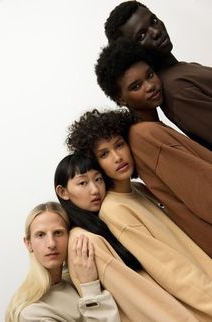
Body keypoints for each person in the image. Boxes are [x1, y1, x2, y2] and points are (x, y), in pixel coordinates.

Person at [66, 108, 212, 321]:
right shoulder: (114, 210)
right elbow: (171, 270)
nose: (117, 157)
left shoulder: (138, 189)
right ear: (95, 163)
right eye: (104, 154)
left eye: (119, 145)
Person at [95, 39, 212, 257]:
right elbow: (204, 192)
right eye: (136, 86)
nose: (150, 86)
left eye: (149, 75)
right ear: (121, 99)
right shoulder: (145, 136)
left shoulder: (150, 129)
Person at [104, 0, 212, 150]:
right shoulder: (175, 89)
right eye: (141, 36)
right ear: (131, 49)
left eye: (153, 21)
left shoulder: (178, 70)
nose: (156, 32)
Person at [5, 201, 121, 322]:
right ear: (28, 244)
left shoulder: (75, 280)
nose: (51, 243)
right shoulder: (31, 313)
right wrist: (90, 287)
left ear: (70, 236)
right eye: (40, 235)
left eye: (58, 233)